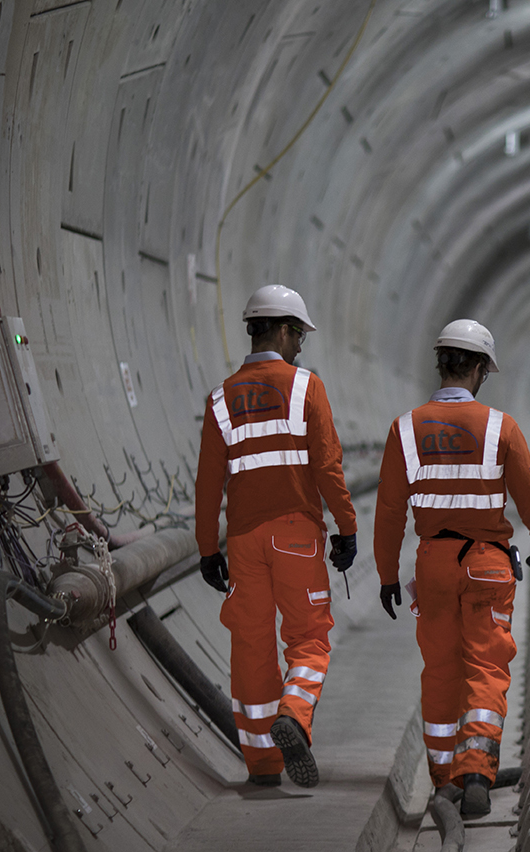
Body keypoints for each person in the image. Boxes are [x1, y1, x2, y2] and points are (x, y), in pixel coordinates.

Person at [374, 318, 530, 818]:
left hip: (432, 563)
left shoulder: (405, 428)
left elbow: (389, 510)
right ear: (478, 368)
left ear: (441, 365)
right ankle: (476, 768)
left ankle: (444, 780)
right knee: (485, 667)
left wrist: (387, 573)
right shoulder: (501, 427)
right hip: (487, 566)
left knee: (439, 670)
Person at [194, 284, 360, 788]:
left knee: (251, 647)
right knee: (309, 638)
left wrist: (207, 548)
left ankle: (263, 764)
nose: (301, 346)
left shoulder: (221, 397)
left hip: (243, 540)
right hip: (297, 536)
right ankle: (293, 712)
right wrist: (347, 528)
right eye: (299, 335)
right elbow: (328, 468)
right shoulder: (307, 387)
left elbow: (207, 483)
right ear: (283, 330)